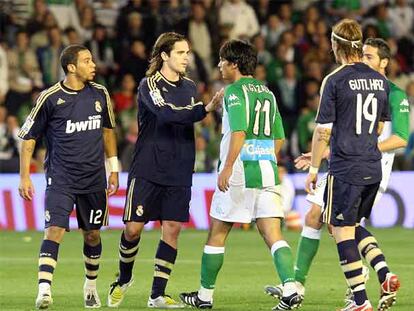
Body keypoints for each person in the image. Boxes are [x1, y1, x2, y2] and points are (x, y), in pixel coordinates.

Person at [265, 37, 409, 311]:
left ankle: (313, 286)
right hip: (353, 161)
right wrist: (323, 154)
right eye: (363, 55)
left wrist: (363, 148)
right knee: (328, 220)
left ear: (385, 62)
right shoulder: (359, 87)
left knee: (335, 224)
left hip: (368, 166)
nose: (364, 60)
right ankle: (381, 274)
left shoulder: (393, 93)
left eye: (370, 57)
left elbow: (400, 138)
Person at [179, 39, 303, 311]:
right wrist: (264, 157)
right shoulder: (268, 93)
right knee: (272, 233)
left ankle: (204, 296)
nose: (219, 65)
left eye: (223, 60)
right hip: (268, 172)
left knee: (217, 232)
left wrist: (227, 167)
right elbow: (279, 137)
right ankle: (291, 287)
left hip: (239, 173)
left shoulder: (234, 92)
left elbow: (239, 131)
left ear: (234, 63)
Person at [107, 32, 223, 309]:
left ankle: (157, 295)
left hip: (180, 168)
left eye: (188, 53)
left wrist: (198, 109)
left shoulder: (190, 86)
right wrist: (203, 109)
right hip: (148, 166)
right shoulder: (149, 85)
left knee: (171, 230)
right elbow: (167, 114)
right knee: (133, 229)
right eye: (181, 53)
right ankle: (123, 280)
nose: (187, 58)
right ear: (164, 56)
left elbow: (184, 115)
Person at [18, 44, 119, 309]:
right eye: (87, 61)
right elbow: (28, 138)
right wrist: (24, 177)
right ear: (71, 67)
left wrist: (115, 168)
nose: (93, 64)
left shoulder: (100, 94)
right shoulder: (50, 97)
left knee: (92, 235)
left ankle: (90, 287)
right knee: (54, 231)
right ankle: (44, 291)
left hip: (93, 179)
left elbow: (108, 132)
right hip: (60, 179)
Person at [306, 19, 390, 311]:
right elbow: (379, 126)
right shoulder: (380, 80)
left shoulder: (335, 79)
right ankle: (382, 272)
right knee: (352, 227)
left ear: (335, 45)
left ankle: (360, 301)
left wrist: (314, 168)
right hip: (373, 166)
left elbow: (322, 130)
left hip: (346, 168)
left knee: (340, 230)